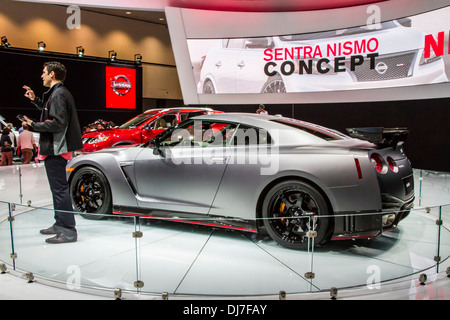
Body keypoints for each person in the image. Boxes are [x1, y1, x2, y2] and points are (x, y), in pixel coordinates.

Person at [22, 61, 83, 244]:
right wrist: (35, 100)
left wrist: (34, 125)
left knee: (59, 190)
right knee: (57, 190)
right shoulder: (58, 94)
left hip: (57, 149)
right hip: (56, 149)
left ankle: (68, 231)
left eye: (43, 72)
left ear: (52, 75)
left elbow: (58, 123)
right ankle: (60, 224)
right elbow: (53, 114)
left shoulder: (58, 95)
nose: (41, 75)